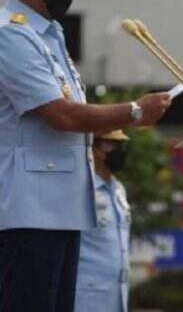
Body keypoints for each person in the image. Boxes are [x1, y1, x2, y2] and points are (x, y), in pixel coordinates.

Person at [0, 0, 171, 312]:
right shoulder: (11, 35)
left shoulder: (47, 35)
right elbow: (61, 115)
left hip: (59, 205)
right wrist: (133, 111)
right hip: (28, 205)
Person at [75, 130, 132, 312]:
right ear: (95, 148)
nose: (120, 151)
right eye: (113, 145)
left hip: (117, 295)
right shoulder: (80, 188)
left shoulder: (118, 189)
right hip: (85, 295)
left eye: (121, 145)